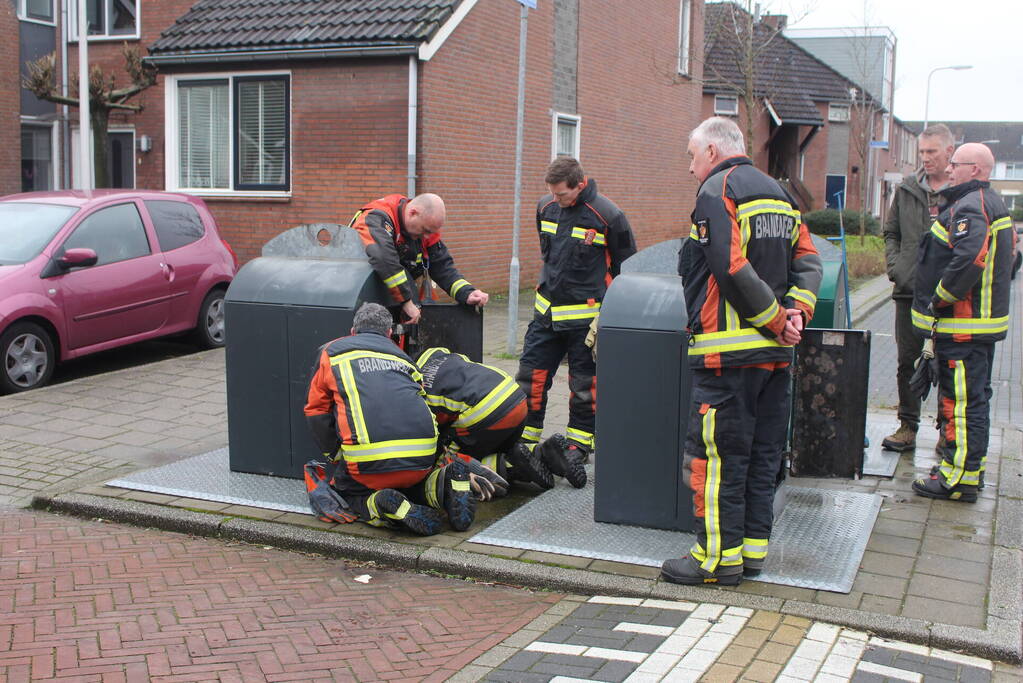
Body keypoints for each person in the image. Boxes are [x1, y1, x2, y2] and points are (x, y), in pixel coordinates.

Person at [661, 117, 822, 586]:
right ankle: (750, 554)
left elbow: (729, 268)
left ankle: (715, 560)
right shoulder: (782, 195)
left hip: (726, 359)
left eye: (692, 156)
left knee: (715, 462)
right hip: (775, 360)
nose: (691, 168)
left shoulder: (717, 191)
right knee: (760, 458)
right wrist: (796, 314)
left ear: (712, 151)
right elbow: (809, 260)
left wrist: (775, 319)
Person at [514, 157, 637, 488]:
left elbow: (626, 267)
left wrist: (612, 313)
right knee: (530, 378)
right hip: (546, 316)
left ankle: (577, 448)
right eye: (551, 193)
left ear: (580, 185)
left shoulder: (608, 216)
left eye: (562, 194)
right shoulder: (546, 208)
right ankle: (523, 442)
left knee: (584, 387)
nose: (556, 200)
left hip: (585, 322)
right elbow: (549, 256)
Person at [303, 303, 475, 534]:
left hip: (368, 463)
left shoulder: (332, 353)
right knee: (411, 484)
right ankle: (443, 485)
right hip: (422, 457)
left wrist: (334, 454)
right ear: (389, 333)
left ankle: (382, 504)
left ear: (353, 331)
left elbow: (316, 410)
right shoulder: (404, 359)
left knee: (347, 491)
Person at [910, 143, 1015, 503]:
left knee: (962, 404)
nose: (949, 169)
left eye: (956, 164)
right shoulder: (986, 203)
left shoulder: (972, 206)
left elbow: (970, 258)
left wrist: (939, 297)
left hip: (963, 327)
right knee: (973, 401)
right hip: (972, 328)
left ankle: (956, 480)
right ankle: (968, 470)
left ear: (976, 170)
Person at [881, 124, 955, 452]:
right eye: (922, 152)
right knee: (907, 360)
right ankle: (907, 426)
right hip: (909, 290)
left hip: (951, 293)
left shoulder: (961, 191)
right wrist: (896, 267)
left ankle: (946, 431)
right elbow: (891, 232)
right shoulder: (908, 189)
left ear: (949, 152)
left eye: (932, 151)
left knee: (948, 362)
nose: (925, 158)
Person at [417, 347, 556, 493]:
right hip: (514, 395)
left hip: (485, 410)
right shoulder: (435, 353)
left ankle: (509, 467)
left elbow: (430, 432)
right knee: (497, 446)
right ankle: (544, 453)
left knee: (447, 458)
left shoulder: (416, 392)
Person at [349, 193, 489, 324]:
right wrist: (406, 302)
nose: (427, 237)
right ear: (413, 213)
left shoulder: (425, 229)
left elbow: (443, 268)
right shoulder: (375, 217)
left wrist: (467, 293)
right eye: (426, 230)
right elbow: (384, 259)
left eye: (431, 232)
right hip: (361, 301)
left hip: (394, 302)